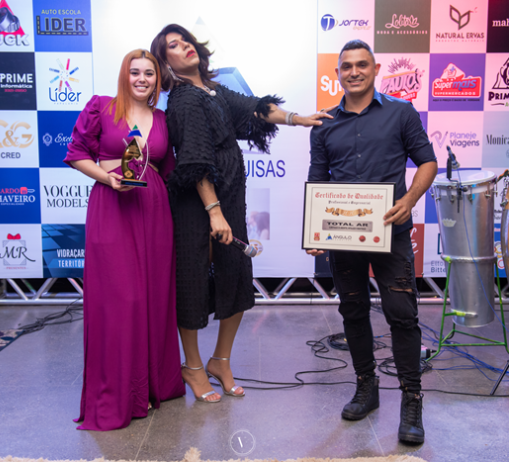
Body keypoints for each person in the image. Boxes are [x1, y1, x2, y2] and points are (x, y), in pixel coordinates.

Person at [150, 24, 332, 403]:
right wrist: (213, 212)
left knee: (235, 275)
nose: (185, 46)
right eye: (173, 46)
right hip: (198, 205)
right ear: (166, 64)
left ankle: (220, 360)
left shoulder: (212, 91)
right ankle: (193, 366)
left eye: (185, 40)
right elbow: (195, 160)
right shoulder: (184, 100)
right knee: (192, 283)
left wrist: (297, 118)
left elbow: (256, 108)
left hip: (230, 196)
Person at [307, 40, 437, 444]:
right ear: (338, 74)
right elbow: (318, 180)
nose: (355, 72)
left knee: (402, 314)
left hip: (391, 232)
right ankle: (366, 386)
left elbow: (428, 162)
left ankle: (411, 399)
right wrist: (314, 229)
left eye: (362, 65)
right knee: (353, 310)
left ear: (376, 69)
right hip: (344, 236)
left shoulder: (401, 112)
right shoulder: (324, 122)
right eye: (347, 66)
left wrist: (409, 200)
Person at [64, 49, 185, 431]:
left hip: (155, 213)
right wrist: (108, 178)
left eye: (149, 73)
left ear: (157, 80)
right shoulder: (101, 107)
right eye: (135, 72)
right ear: (124, 75)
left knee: (154, 298)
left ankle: (150, 386)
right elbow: (76, 154)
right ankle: (117, 393)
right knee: (121, 300)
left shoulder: (162, 119)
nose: (142, 79)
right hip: (113, 208)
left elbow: (167, 169)